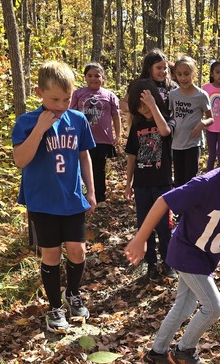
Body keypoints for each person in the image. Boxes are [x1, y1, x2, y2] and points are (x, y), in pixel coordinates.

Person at [124, 125, 220, 364]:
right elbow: (163, 201)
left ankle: (157, 352)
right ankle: (184, 351)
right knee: (214, 307)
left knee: (185, 305)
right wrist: (140, 238)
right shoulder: (204, 185)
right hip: (187, 252)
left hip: (207, 257)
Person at [12, 61, 97, 333]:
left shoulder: (78, 120)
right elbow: (20, 160)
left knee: (77, 250)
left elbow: (84, 156)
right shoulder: (26, 122)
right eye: (54, 99)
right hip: (42, 201)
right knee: (50, 254)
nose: (61, 105)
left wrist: (91, 191)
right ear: (39, 92)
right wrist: (39, 129)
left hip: (71, 198)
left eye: (67, 98)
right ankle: (54, 308)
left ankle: (72, 295)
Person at [124, 79, 174, 280]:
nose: (143, 110)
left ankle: (168, 262)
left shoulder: (166, 119)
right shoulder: (137, 126)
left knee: (164, 226)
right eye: (139, 106)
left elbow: (165, 132)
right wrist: (128, 183)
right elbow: (131, 157)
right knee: (144, 225)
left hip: (162, 183)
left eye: (146, 104)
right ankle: (151, 263)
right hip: (142, 184)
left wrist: (153, 106)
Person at [70, 63, 121, 205]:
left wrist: (118, 135)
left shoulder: (109, 96)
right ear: (85, 77)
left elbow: (116, 116)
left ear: (103, 78)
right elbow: (70, 114)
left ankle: (99, 197)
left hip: (103, 139)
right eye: (90, 76)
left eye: (97, 76)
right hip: (82, 138)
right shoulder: (78, 94)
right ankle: (82, 194)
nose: (93, 79)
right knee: (82, 166)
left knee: (99, 167)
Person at [168, 55, 212, 187]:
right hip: (176, 143)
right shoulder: (173, 95)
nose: (183, 78)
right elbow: (171, 115)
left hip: (193, 143)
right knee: (179, 180)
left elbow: (211, 118)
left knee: (190, 179)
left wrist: (203, 123)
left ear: (193, 73)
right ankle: (179, 207)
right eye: (179, 74)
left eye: (186, 74)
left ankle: (191, 206)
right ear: (175, 75)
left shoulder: (201, 95)